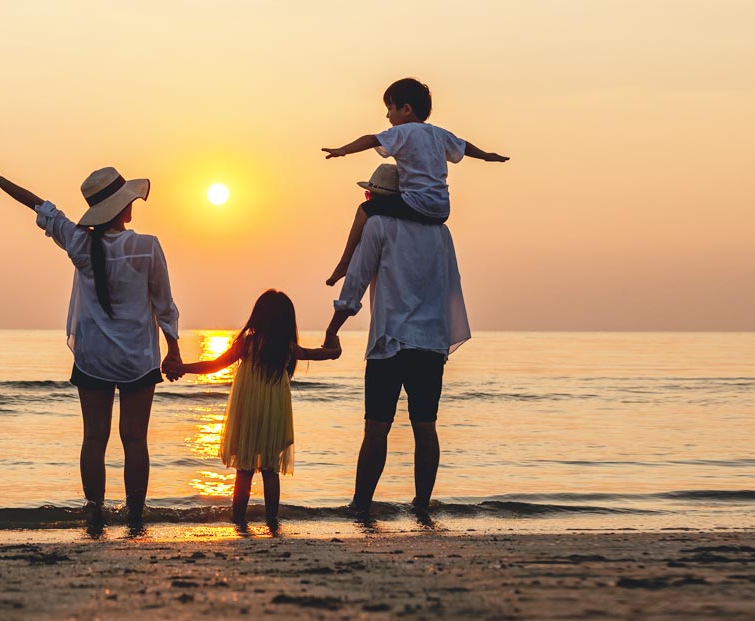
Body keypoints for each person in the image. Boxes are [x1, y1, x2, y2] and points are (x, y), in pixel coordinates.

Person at [0, 158, 188, 528]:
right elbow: (164, 305)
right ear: (124, 207)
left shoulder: (80, 242)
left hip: (93, 357)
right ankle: (134, 516)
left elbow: (40, 205)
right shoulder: (147, 247)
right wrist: (174, 350)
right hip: (138, 357)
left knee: (94, 438)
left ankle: (95, 512)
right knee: (134, 440)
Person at [323, 165, 473, 516]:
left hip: (389, 341)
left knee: (376, 426)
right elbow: (451, 284)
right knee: (426, 426)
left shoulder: (378, 225)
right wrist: (442, 336)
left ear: (374, 198)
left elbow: (356, 282)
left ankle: (361, 505)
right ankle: (421, 505)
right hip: (430, 342)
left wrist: (332, 331)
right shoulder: (441, 233)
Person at [321, 77, 509, 286]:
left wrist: (343, 150)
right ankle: (345, 263)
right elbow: (464, 146)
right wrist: (486, 155)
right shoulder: (439, 134)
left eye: (390, 108)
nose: (388, 115)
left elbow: (371, 139)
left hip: (416, 204)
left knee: (365, 209)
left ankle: (344, 263)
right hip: (442, 210)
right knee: (395, 197)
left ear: (406, 109)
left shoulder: (402, 132)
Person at [178, 290, 340, 524]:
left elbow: (215, 365)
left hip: (248, 410)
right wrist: (335, 345)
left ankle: (239, 519)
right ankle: (272, 521)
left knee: (244, 469)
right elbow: (323, 354)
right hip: (275, 411)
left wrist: (182, 367)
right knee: (270, 469)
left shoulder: (248, 343)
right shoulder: (287, 347)